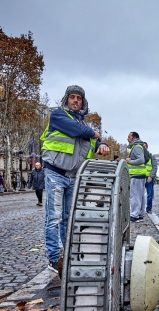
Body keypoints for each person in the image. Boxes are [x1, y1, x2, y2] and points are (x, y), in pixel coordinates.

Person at [41, 85, 109, 276]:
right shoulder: (58, 116)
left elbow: (93, 141)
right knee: (53, 218)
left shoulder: (84, 125)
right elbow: (76, 130)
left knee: (68, 219)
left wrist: (101, 143)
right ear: (66, 100)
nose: (75, 100)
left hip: (73, 176)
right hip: (55, 172)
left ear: (83, 102)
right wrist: (94, 134)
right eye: (72, 97)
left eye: (79, 98)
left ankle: (68, 255)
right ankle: (54, 259)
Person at [126, 132, 147, 222]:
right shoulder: (139, 146)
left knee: (135, 195)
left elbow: (141, 159)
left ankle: (134, 214)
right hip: (140, 174)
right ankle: (140, 214)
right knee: (140, 195)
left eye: (129, 137)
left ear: (134, 138)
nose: (127, 138)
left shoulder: (136, 147)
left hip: (136, 174)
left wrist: (129, 161)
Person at [143, 142, 157, 214]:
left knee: (150, 194)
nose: (144, 147)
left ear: (147, 147)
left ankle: (149, 208)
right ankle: (140, 209)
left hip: (149, 178)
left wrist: (151, 176)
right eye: (142, 146)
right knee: (139, 194)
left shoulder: (151, 156)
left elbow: (155, 167)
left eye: (145, 146)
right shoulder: (139, 156)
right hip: (141, 177)